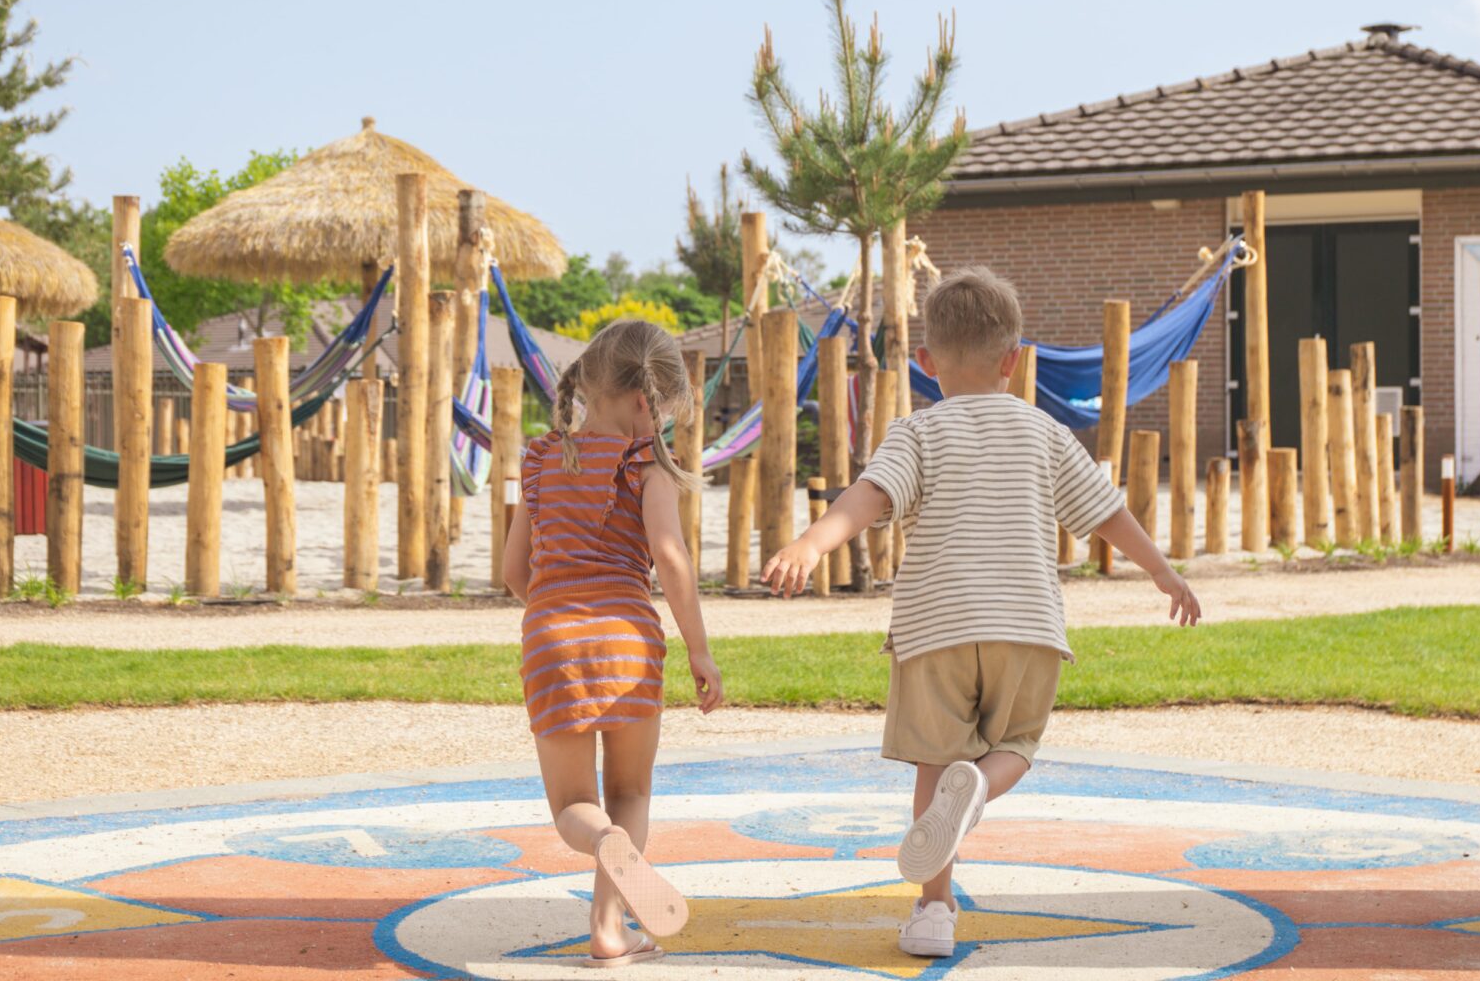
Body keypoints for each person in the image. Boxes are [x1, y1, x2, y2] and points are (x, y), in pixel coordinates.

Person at [762, 266, 1202, 960]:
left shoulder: (917, 433)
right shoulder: (1044, 432)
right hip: (1026, 626)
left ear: (927, 362)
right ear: (1015, 359)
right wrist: (1162, 571)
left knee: (935, 765)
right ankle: (982, 789)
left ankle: (934, 910)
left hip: (935, 627)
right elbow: (1107, 513)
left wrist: (810, 543)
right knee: (1015, 747)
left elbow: (867, 498)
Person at [502, 319, 724, 968]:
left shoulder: (541, 459)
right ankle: (607, 925)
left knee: (576, 806)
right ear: (642, 403)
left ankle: (603, 858)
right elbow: (670, 557)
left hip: (550, 640)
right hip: (627, 638)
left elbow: (516, 575)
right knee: (631, 793)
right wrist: (699, 651)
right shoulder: (645, 463)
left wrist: (558, 612)